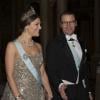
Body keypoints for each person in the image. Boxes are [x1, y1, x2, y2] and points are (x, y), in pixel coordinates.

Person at [1, 6, 53, 100]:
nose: (40, 27)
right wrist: (18, 97)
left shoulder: (38, 46)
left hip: (37, 94)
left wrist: (49, 91)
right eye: (37, 24)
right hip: (18, 94)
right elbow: (9, 75)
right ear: (26, 26)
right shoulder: (12, 46)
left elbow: (42, 73)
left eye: (40, 24)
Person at [46, 11, 93, 100]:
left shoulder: (82, 42)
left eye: (71, 22)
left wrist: (89, 91)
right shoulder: (53, 44)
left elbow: (85, 69)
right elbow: (50, 69)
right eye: (65, 22)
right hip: (65, 91)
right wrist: (59, 86)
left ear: (76, 23)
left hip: (82, 91)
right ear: (60, 25)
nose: (68, 25)